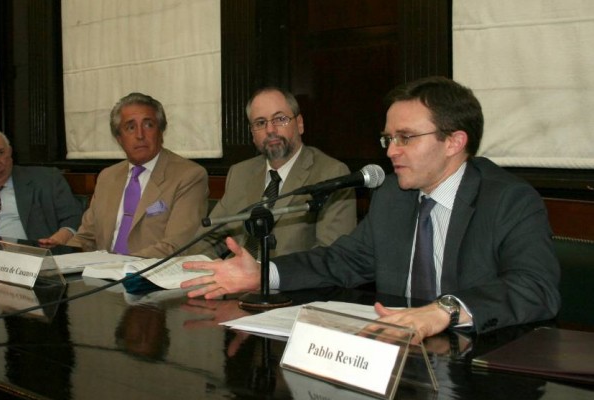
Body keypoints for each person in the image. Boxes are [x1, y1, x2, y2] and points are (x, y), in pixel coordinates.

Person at [181, 76, 561, 342]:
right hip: (398, 360)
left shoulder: (509, 200)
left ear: (454, 141)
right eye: (388, 137)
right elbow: (340, 261)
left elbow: (536, 288)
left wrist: (444, 310)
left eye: (406, 138)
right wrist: (266, 273)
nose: (390, 150)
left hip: (479, 364)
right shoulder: (394, 196)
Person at [192, 87, 356, 259]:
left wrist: (263, 276)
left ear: (299, 124)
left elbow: (331, 257)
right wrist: (210, 267)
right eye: (260, 123)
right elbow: (208, 237)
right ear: (253, 134)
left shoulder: (331, 173)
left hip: (288, 283)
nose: (270, 130)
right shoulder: (240, 173)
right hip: (234, 281)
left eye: (280, 119)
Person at [66, 92, 209, 258]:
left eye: (148, 125)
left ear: (161, 132)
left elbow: (175, 246)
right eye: (130, 127)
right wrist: (58, 259)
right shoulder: (107, 177)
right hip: (102, 274)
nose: (140, 135)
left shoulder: (189, 176)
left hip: (150, 277)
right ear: (119, 138)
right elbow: (86, 238)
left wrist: (116, 267)